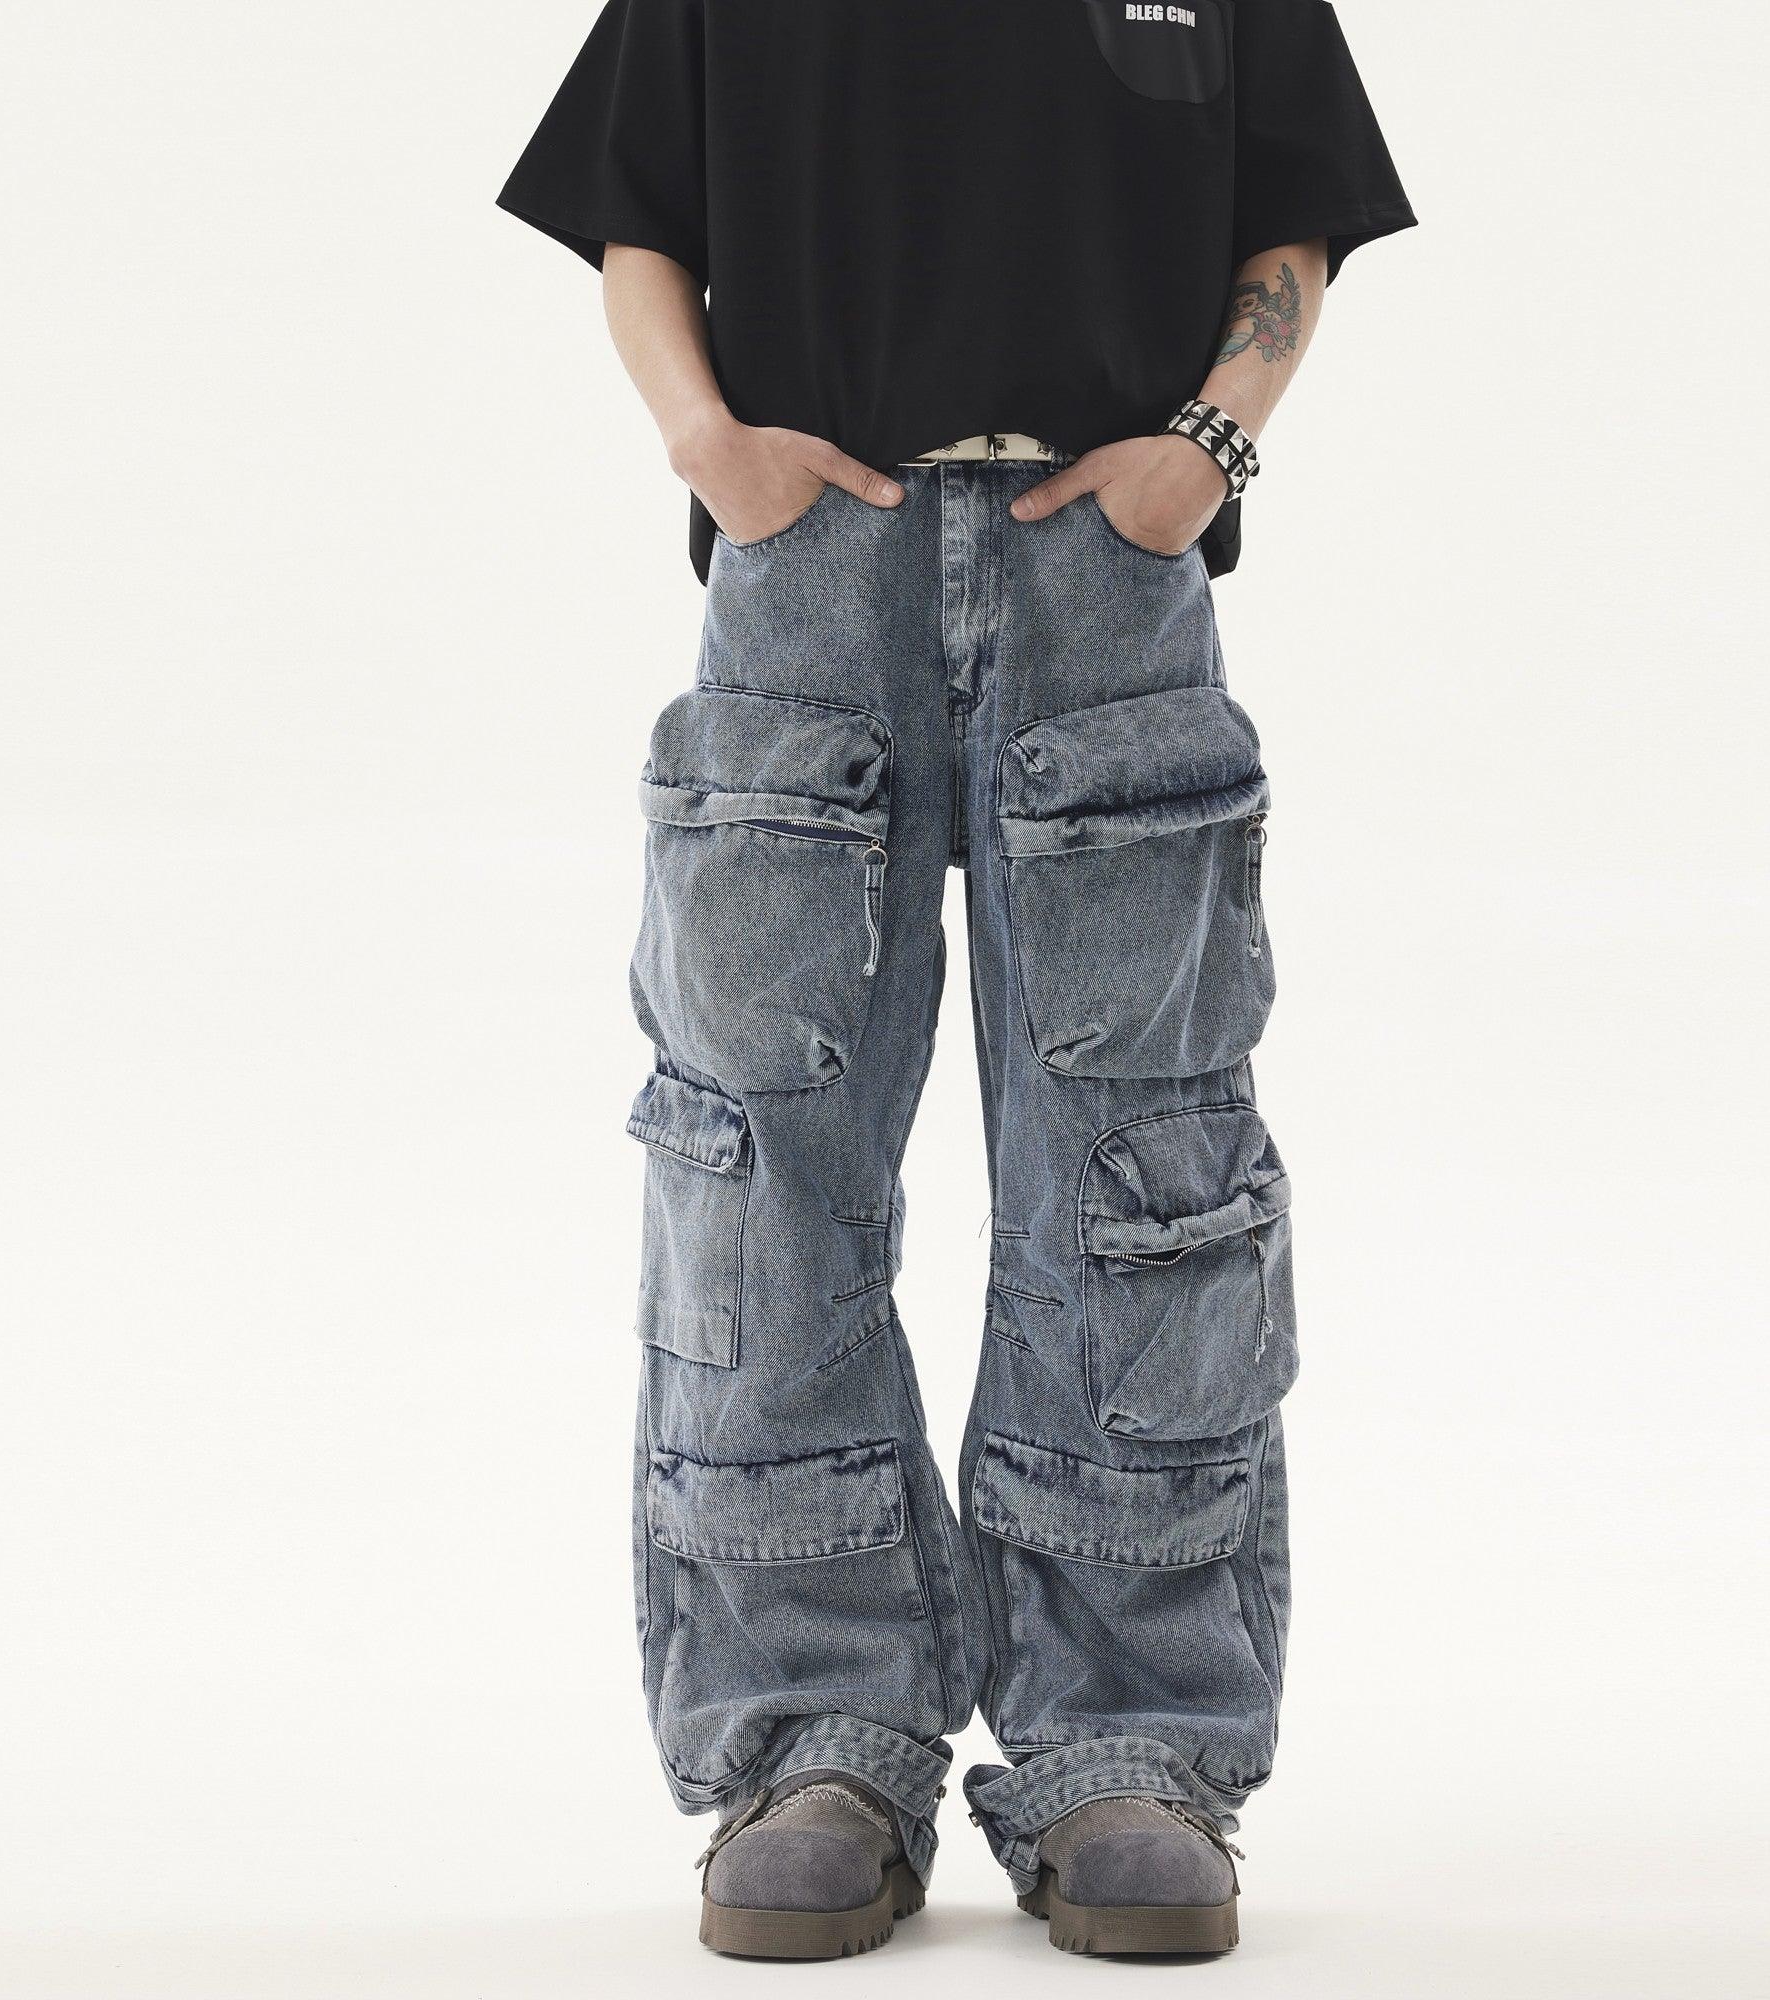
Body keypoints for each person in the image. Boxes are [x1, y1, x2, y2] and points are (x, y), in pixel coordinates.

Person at [499, 0, 1412, 1959]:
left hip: (1113, 579)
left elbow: (1296, 217)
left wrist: (1210, 446)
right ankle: (809, 1736)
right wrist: (704, 445)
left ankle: (1130, 1744)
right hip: (809, 572)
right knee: (764, 1156)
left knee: (1143, 1159)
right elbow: (634, 216)